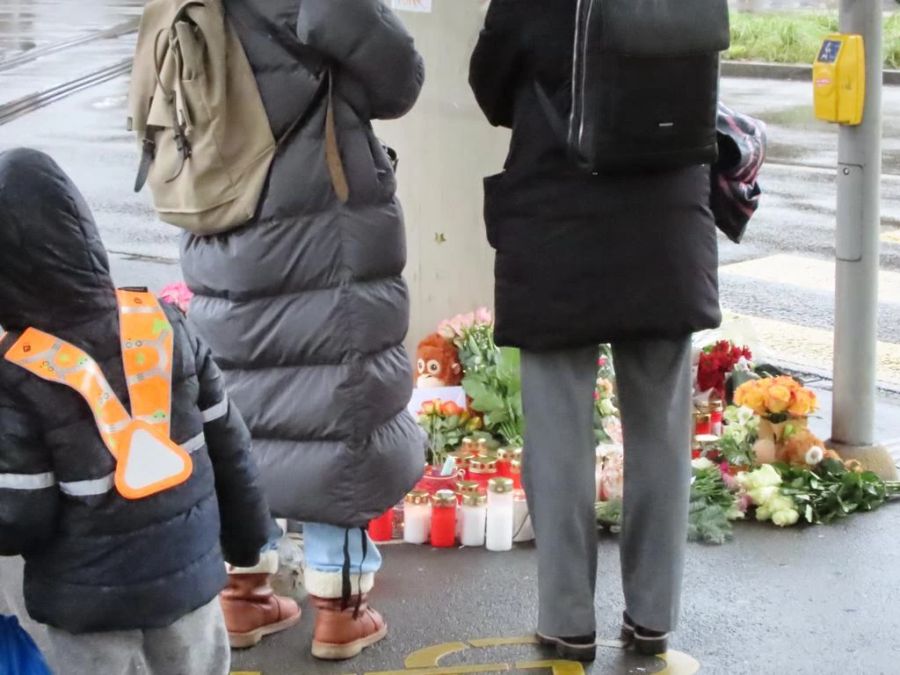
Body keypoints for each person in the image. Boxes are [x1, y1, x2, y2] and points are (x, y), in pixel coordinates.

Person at [469, 1, 721, 662]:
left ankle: (568, 620)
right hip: (668, 231)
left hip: (559, 225)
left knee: (558, 432)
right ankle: (654, 616)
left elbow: (489, 87)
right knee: (663, 431)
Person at [180, 0, 426, 660]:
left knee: (242, 403)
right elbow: (398, 75)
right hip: (317, 217)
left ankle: (243, 593)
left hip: (220, 216)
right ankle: (340, 610)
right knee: (332, 405)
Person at [0, 148, 272, 675]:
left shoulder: (18, 373)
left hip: (89, 607)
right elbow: (228, 442)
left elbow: (19, 518)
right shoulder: (163, 324)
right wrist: (247, 538)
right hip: (188, 582)